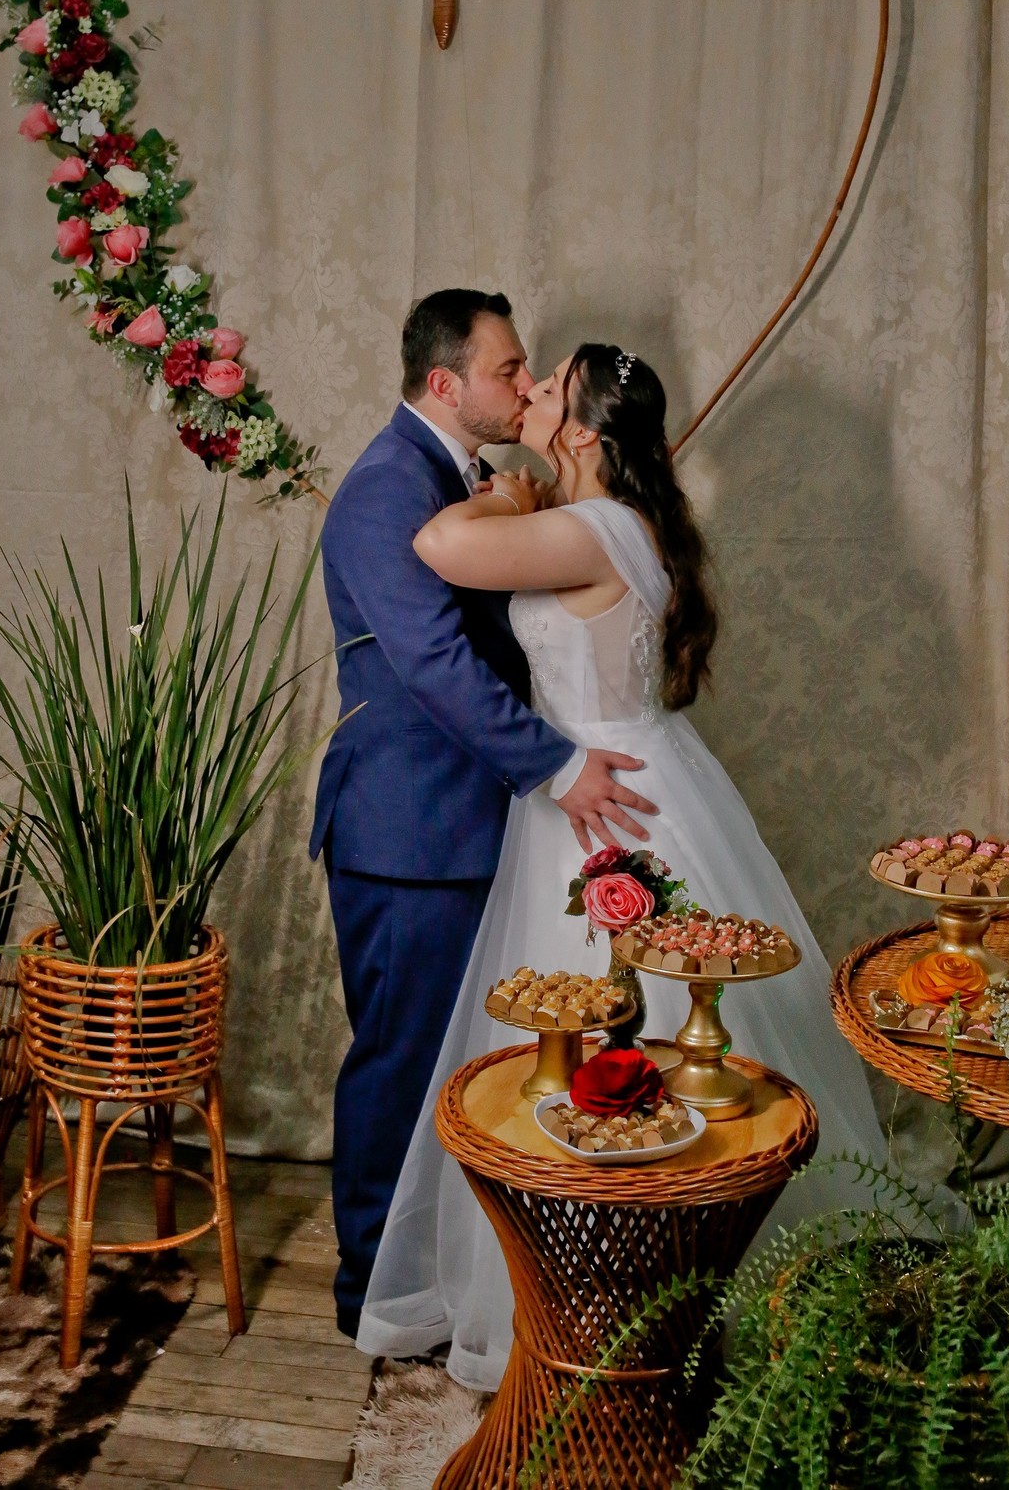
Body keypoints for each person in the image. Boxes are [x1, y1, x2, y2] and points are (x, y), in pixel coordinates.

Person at [357, 342, 889, 1387]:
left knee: (619, 1029)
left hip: (604, 802)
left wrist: (504, 495)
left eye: (550, 385)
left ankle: (634, 1288)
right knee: (617, 1028)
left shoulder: (590, 526)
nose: (531, 391)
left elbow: (438, 542)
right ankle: (597, 1285)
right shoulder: (619, 520)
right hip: (608, 775)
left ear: (585, 430)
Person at [310, 294, 658, 1338]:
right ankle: (372, 1292)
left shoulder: (478, 485)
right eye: (508, 369)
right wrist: (556, 762)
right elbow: (432, 661)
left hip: (475, 825)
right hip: (409, 832)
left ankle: (459, 1281)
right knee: (403, 1061)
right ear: (445, 383)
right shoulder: (388, 487)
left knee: (474, 1067)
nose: (524, 382)